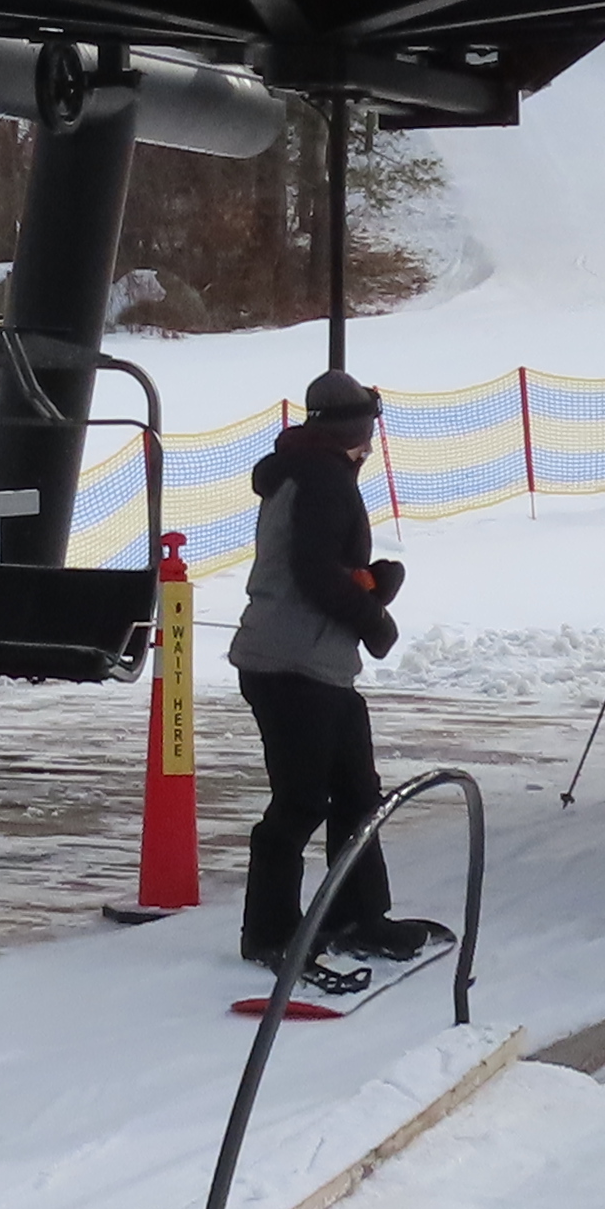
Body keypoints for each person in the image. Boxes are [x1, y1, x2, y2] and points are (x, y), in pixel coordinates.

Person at [224, 371, 446, 967]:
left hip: (311, 659)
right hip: (293, 662)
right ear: (351, 431)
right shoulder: (323, 478)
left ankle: (358, 914)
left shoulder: (305, 470)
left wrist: (371, 581)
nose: (371, 446)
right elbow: (313, 573)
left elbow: (317, 563)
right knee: (300, 801)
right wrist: (374, 619)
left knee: (355, 794)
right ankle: (270, 930)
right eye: (367, 433)